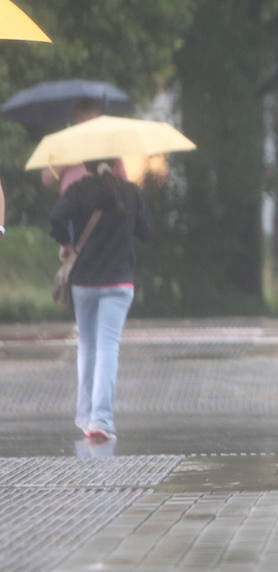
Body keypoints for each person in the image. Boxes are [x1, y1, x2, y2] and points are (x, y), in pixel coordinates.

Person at [49, 159, 152, 443]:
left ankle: (85, 417)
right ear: (118, 162)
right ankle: (101, 420)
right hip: (119, 281)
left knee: (87, 346)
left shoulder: (80, 190)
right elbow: (146, 232)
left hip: (84, 280)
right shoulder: (130, 192)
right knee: (108, 347)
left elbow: (56, 217)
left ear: (88, 164)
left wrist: (67, 243)